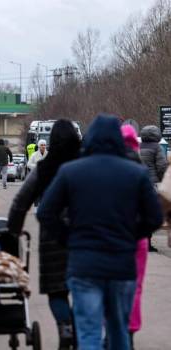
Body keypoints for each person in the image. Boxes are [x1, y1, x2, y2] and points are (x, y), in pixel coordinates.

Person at [37, 115, 163, 350]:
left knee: (89, 332)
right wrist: (132, 235)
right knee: (118, 329)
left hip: (84, 264)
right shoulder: (135, 173)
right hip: (122, 264)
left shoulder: (71, 172)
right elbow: (155, 216)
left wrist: (68, 238)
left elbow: (45, 212)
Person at [8, 120, 81, 349]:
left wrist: (13, 230)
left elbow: (21, 202)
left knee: (57, 290)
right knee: (82, 290)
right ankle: (79, 330)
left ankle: (64, 326)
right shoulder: (86, 165)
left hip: (52, 239)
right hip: (84, 237)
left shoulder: (44, 168)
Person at [121, 125, 149, 350]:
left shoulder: (107, 169)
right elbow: (154, 213)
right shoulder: (141, 171)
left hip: (110, 238)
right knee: (135, 286)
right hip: (136, 239)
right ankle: (129, 330)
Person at [140, 125, 168, 252]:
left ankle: (141, 241)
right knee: (151, 213)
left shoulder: (139, 146)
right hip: (153, 184)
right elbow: (161, 166)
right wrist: (163, 180)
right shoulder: (157, 147)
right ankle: (148, 243)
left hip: (139, 183)